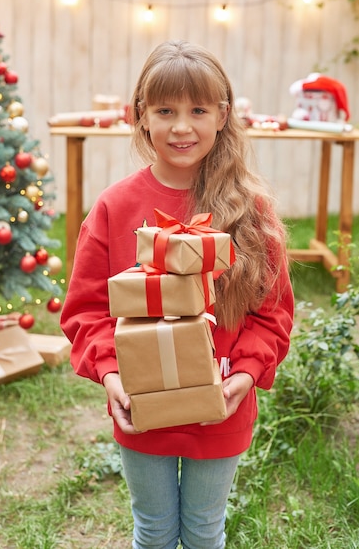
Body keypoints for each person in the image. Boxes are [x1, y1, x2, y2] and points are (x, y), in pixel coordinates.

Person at [60, 40, 294, 549]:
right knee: (155, 530)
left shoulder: (250, 210)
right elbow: (87, 309)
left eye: (198, 110)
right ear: (140, 116)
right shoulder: (113, 208)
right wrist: (112, 374)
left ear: (222, 116)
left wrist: (248, 373)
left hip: (223, 403)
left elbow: (272, 313)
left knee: (206, 530)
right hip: (142, 406)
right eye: (165, 110)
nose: (181, 127)